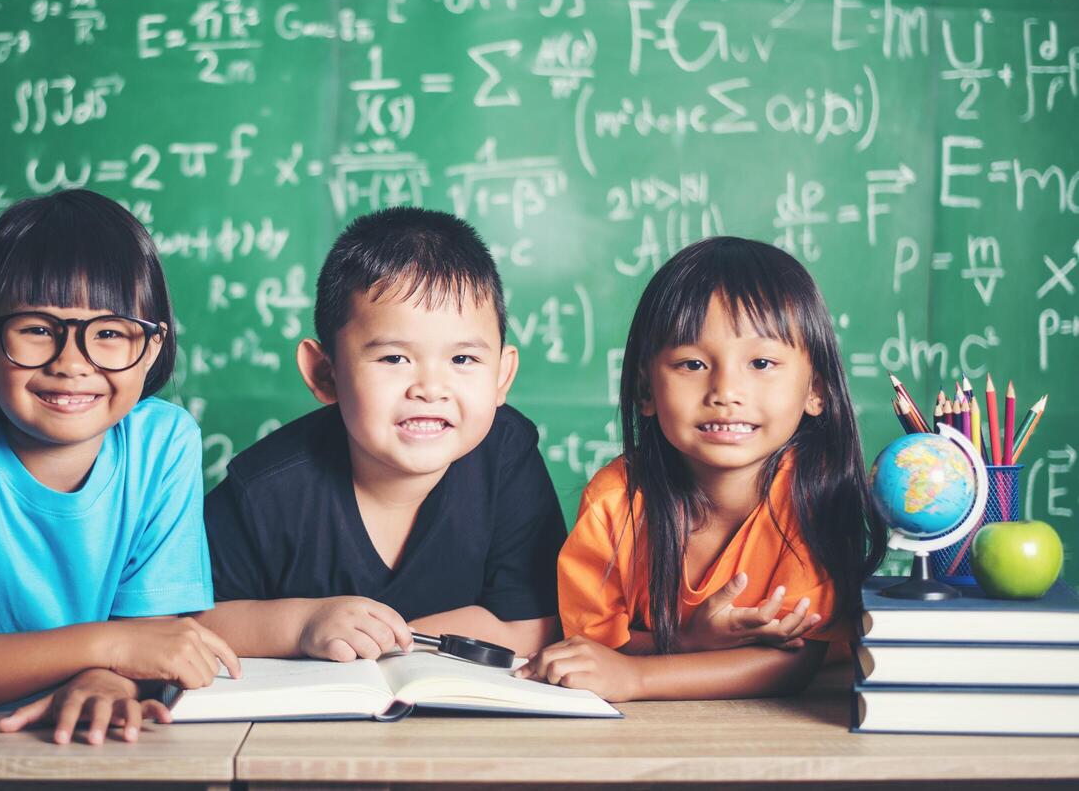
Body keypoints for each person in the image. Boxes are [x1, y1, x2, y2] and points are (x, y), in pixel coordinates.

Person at [0, 190, 239, 744]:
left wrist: (104, 680)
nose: (71, 363)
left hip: (113, 736)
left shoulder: (165, 444)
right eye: (38, 329)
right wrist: (105, 650)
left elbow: (154, 637)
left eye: (110, 332)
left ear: (154, 348)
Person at [518, 236, 885, 700]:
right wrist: (689, 641)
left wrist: (638, 676)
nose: (726, 390)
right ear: (645, 391)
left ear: (817, 390)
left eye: (761, 362)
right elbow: (594, 647)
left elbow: (792, 662)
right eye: (692, 363)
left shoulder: (814, 496)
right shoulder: (616, 502)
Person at [199, 207, 565, 661]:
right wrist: (302, 625)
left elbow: (532, 625)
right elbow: (190, 623)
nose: (430, 388)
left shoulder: (507, 454)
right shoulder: (262, 488)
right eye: (394, 359)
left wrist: (387, 641)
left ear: (502, 376)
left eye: (463, 360)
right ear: (324, 373)